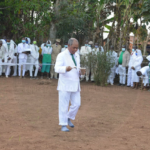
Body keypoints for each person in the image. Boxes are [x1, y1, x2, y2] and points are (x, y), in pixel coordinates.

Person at [55, 38, 85, 132]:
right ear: (68, 46)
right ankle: (63, 124)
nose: (75, 50)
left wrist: (81, 72)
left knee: (77, 104)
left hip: (75, 83)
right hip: (65, 84)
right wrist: (65, 68)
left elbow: (77, 68)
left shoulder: (77, 55)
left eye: (77, 48)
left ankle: (69, 117)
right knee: (63, 105)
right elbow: (57, 68)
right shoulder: (62, 55)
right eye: (74, 48)